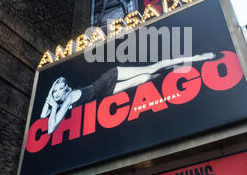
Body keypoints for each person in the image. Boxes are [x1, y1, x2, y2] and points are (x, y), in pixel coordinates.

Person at [41, 52, 215, 134]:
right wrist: (50, 101)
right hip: (105, 93)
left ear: (65, 89)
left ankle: (199, 57)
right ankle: (176, 70)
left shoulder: (69, 97)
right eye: (54, 91)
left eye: (58, 89)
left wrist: (54, 104)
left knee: (151, 67)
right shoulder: (63, 100)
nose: (56, 94)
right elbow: (43, 119)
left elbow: (51, 130)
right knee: (145, 78)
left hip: (107, 79)